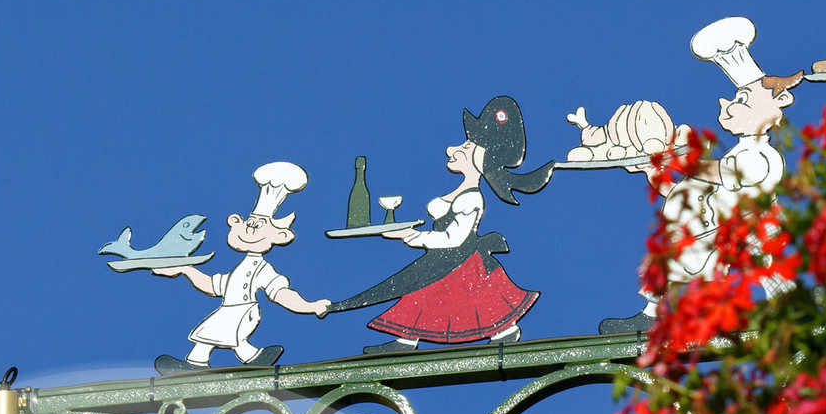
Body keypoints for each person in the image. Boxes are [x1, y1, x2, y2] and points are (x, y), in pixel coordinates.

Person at [600, 17, 803, 336]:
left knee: (764, 269)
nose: (728, 104)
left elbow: (721, 174)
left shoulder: (761, 155)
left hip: (745, 227)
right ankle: (655, 313)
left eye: (741, 100)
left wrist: (688, 164)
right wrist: (656, 171)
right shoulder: (741, 150)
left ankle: (788, 306)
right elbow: (692, 188)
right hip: (716, 228)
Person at [325, 97, 551, 350]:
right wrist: (406, 234)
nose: (452, 150)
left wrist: (411, 236)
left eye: (466, 147)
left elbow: (454, 239)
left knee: (435, 295)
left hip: (461, 262)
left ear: (480, 160)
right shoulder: (461, 194)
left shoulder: (471, 198)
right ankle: (407, 339)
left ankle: (501, 331)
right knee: (419, 296)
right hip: (447, 258)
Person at [147, 162, 331, 372]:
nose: (249, 229)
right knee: (223, 338)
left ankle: (198, 364)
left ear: (280, 236)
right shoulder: (240, 268)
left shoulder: (262, 269)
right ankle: (253, 357)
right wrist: (186, 269)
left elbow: (280, 294)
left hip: (242, 311)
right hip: (230, 310)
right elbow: (212, 285)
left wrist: (310, 306)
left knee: (212, 337)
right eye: (249, 223)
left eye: (257, 225)